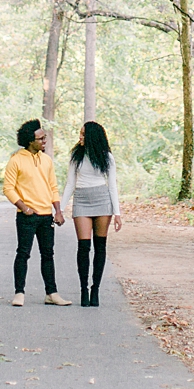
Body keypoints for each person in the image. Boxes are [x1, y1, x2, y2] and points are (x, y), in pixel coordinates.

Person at [2, 119, 73, 307]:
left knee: (48, 254)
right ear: (30, 140)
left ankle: (52, 293)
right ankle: (19, 293)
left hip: (46, 215)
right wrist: (24, 207)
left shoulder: (46, 160)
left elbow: (53, 187)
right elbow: (8, 188)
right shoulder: (16, 160)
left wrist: (58, 211)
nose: (44, 141)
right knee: (23, 253)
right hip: (26, 216)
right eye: (41, 138)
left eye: (45, 137)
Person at [60, 120, 122, 307]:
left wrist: (117, 213)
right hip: (82, 200)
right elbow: (70, 183)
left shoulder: (107, 157)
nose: (80, 137)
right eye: (80, 133)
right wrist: (60, 209)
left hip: (102, 200)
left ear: (92, 137)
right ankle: (83, 290)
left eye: (83, 134)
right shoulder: (76, 156)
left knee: (100, 246)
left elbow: (112, 185)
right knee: (84, 247)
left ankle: (96, 289)